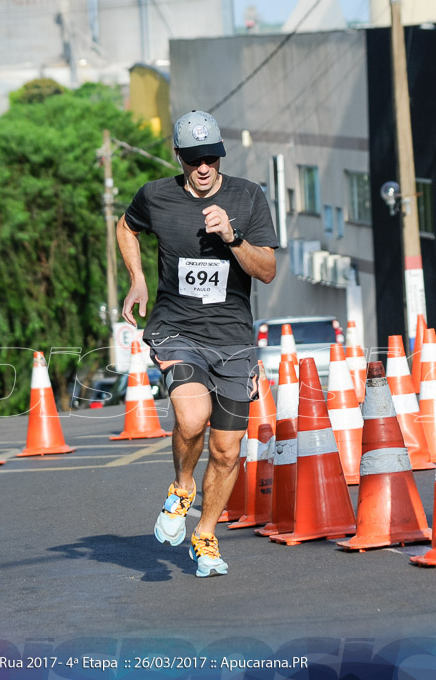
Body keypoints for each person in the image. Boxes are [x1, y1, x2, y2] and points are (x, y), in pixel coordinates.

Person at [117, 110, 277, 577]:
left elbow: (265, 270)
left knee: (228, 450)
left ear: (220, 154)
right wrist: (137, 280)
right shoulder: (157, 196)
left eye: (211, 158)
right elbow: (126, 227)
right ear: (179, 157)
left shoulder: (248, 197)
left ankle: (205, 534)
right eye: (193, 159)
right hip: (177, 328)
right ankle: (183, 485)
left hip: (232, 337)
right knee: (192, 417)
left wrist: (232, 236)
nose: (203, 168)